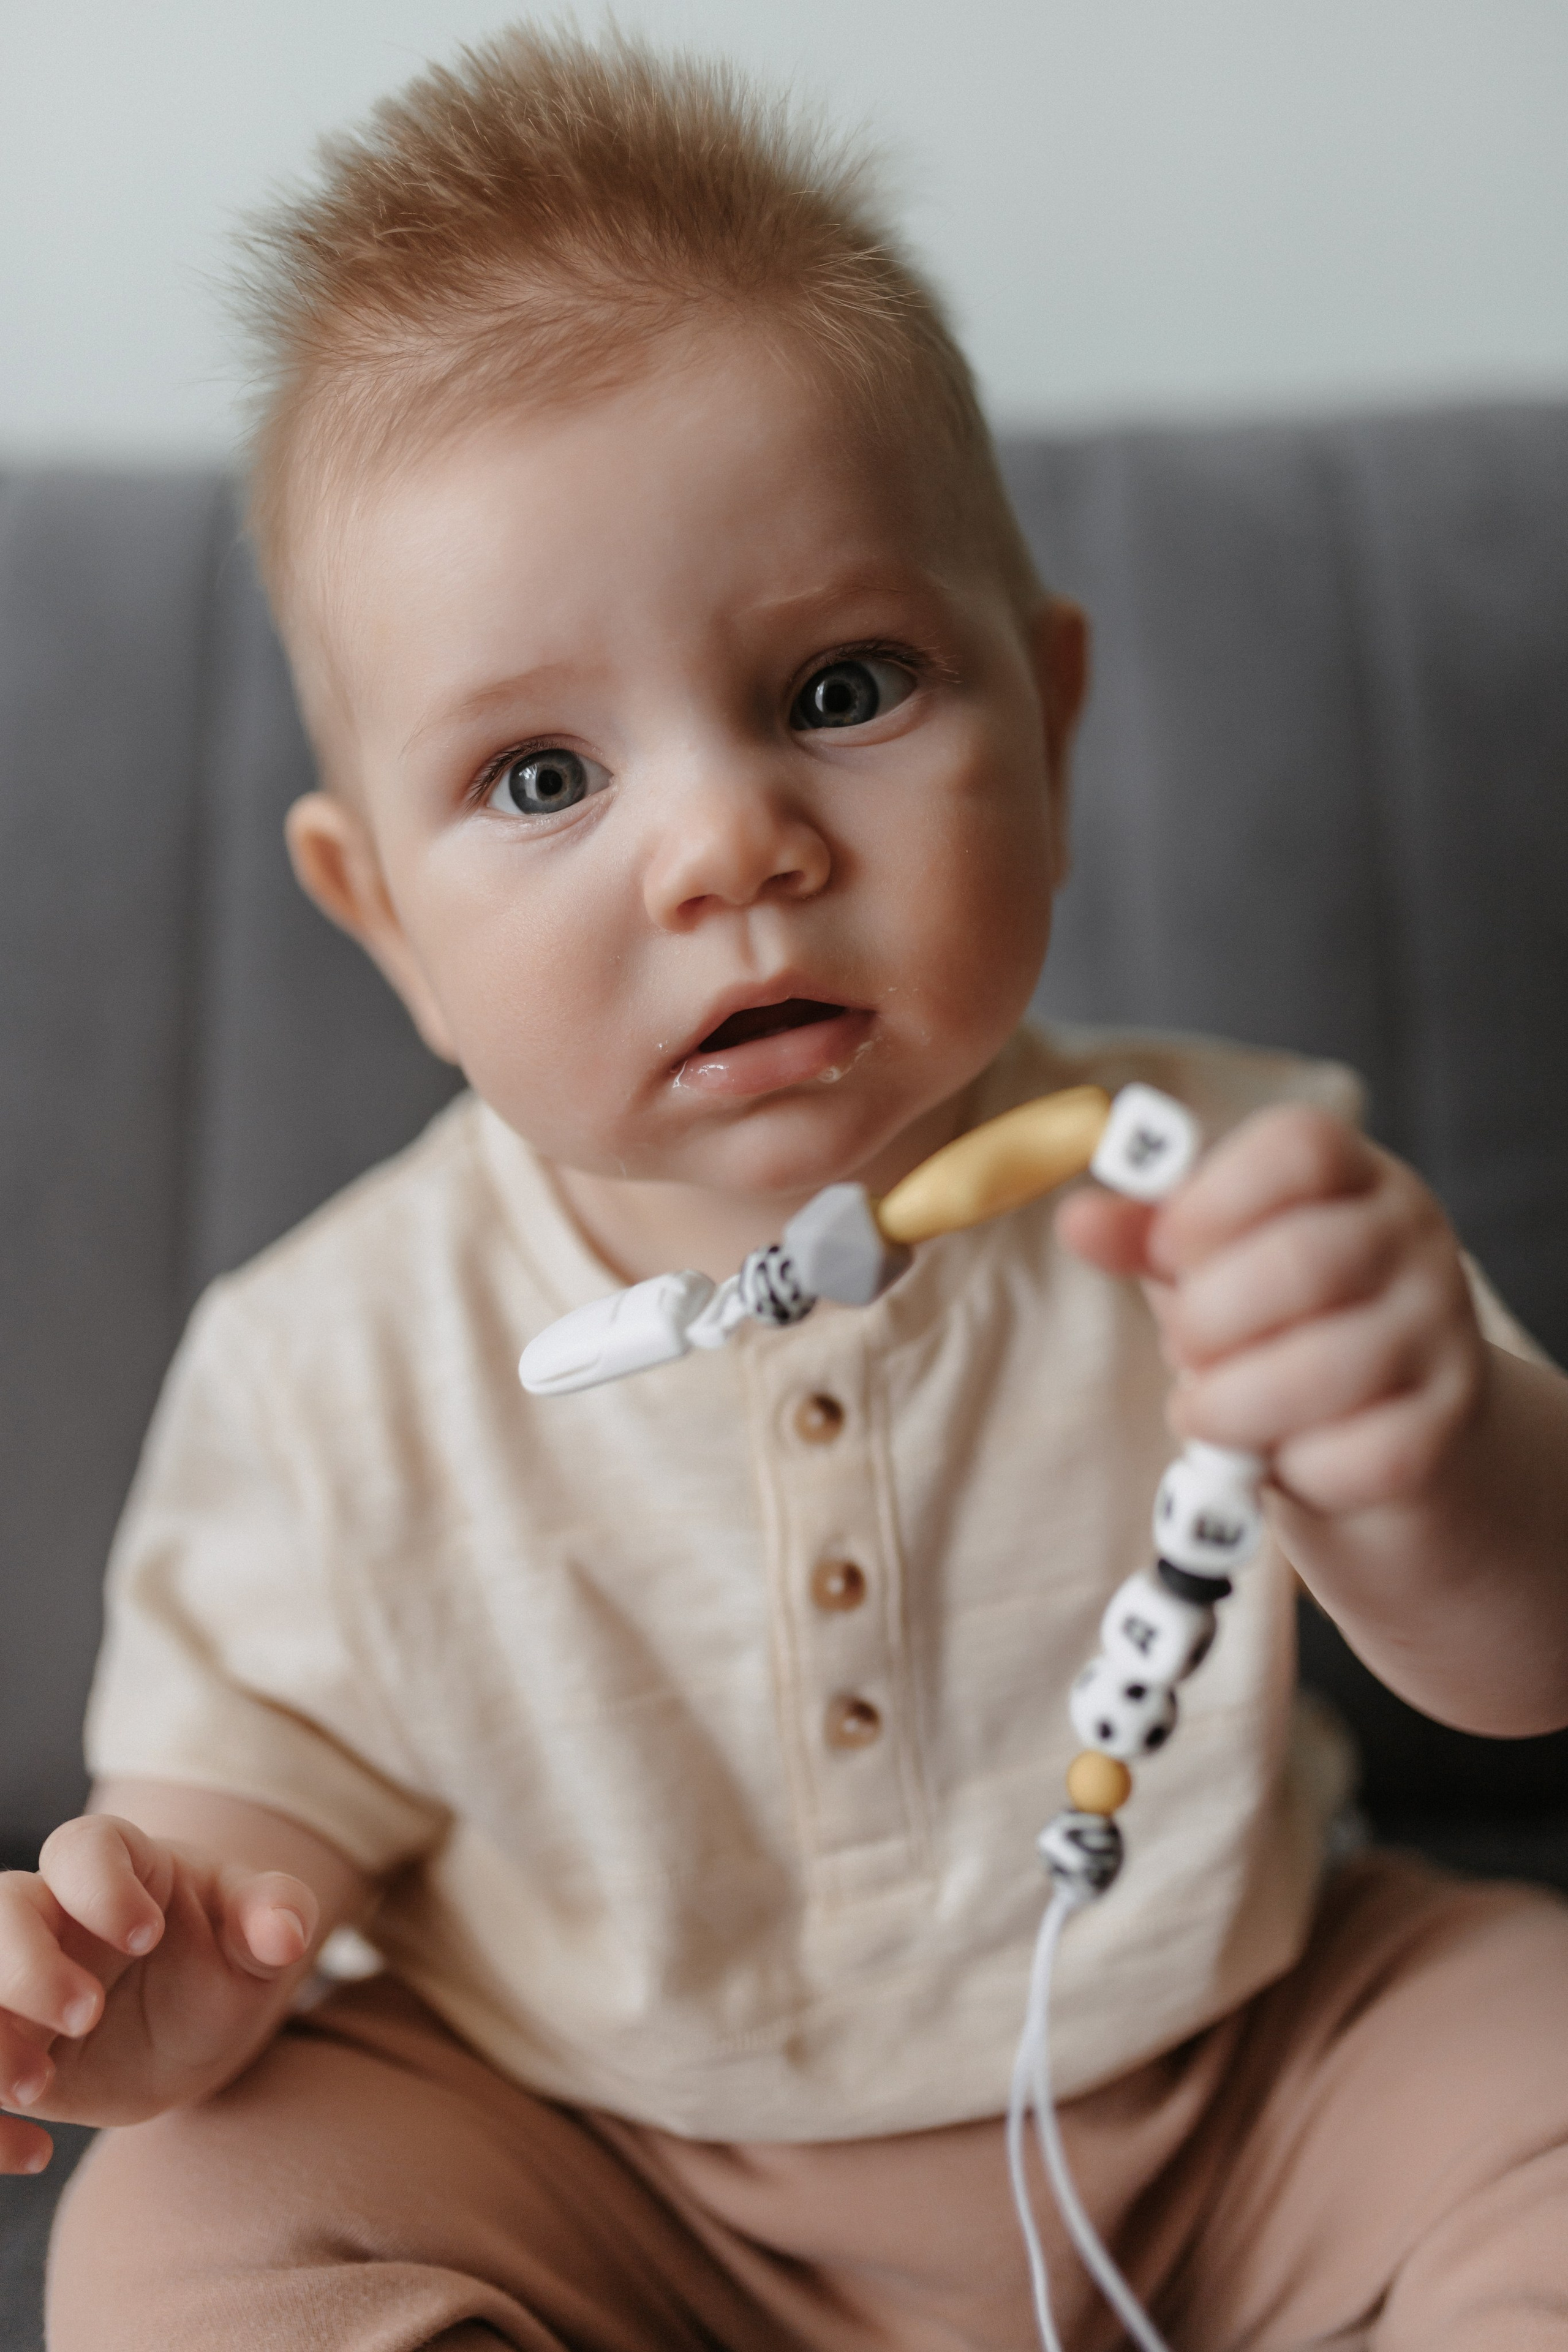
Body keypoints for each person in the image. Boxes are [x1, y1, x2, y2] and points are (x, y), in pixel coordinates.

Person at [7, 28, 1568, 2351]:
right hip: (603, 2162)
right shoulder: (333, 1362)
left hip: (1234, 2083)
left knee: (1533, 2051)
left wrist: (1418, 1449)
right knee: (182, 2233)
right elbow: (243, 1836)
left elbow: (1529, 1656)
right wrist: (169, 1977)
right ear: (384, 923)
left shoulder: (1238, 1192)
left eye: (842, 689)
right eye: (544, 775)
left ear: (1051, 727)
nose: (730, 847)